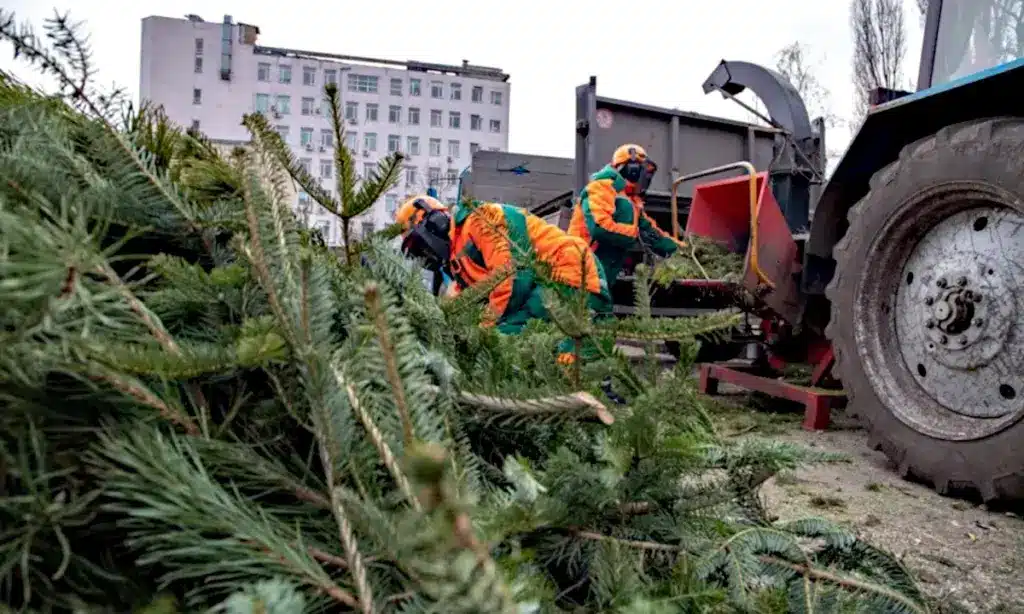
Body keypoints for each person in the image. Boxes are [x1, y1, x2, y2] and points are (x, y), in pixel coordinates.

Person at [395, 195, 609, 339]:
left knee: (507, 336)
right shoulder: (457, 259)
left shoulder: (481, 219)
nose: (424, 255)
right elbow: (466, 299)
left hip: (571, 273)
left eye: (419, 246)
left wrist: (483, 331)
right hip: (545, 282)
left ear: (435, 222)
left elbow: (511, 279)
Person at [568, 143, 685, 316]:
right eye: (644, 172)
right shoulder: (601, 187)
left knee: (600, 319)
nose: (646, 179)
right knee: (585, 320)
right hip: (581, 270)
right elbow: (599, 227)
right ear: (632, 170)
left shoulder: (631, 201)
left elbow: (653, 234)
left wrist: (683, 250)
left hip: (601, 275)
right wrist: (633, 233)